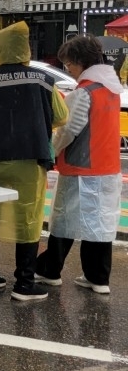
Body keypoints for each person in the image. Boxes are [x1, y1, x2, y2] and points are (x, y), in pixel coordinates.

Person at [0, 22, 68, 302]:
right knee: (28, 219)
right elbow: (61, 116)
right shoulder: (43, 79)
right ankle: (25, 284)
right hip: (30, 160)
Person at [36, 35, 122, 295]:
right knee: (100, 225)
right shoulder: (111, 89)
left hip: (80, 167)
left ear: (80, 62)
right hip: (107, 169)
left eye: (69, 64)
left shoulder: (83, 92)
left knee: (64, 222)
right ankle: (99, 278)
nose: (68, 69)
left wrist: (51, 151)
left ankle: (51, 271)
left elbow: (68, 130)